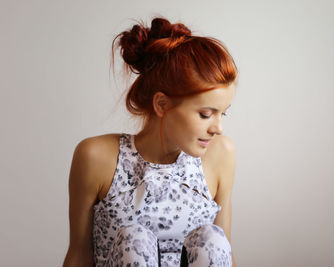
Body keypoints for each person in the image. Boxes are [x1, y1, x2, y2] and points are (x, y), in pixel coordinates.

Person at [63, 16, 238, 267]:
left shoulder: (221, 153)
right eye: (205, 114)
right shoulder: (95, 157)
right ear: (162, 105)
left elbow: (225, 255)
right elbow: (79, 255)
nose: (218, 128)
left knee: (212, 240)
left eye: (223, 113)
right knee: (134, 240)